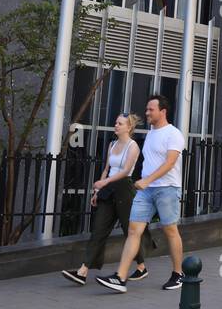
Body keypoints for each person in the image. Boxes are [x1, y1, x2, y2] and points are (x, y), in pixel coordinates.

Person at [96, 94, 185, 293]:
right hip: (146, 191)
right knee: (133, 231)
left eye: (150, 109)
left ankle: (178, 273)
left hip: (166, 189)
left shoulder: (174, 134)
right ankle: (120, 277)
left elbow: (170, 163)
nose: (146, 113)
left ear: (163, 111)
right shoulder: (151, 133)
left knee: (170, 230)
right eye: (146, 109)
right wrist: (144, 181)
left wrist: (147, 180)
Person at [61, 113, 155, 285]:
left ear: (129, 127)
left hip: (124, 189)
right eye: (115, 122)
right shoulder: (112, 144)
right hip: (109, 189)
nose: (116, 125)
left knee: (130, 231)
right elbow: (106, 169)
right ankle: (83, 271)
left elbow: (126, 171)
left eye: (120, 123)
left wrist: (105, 182)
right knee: (99, 230)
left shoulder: (133, 146)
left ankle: (141, 266)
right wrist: (98, 191)